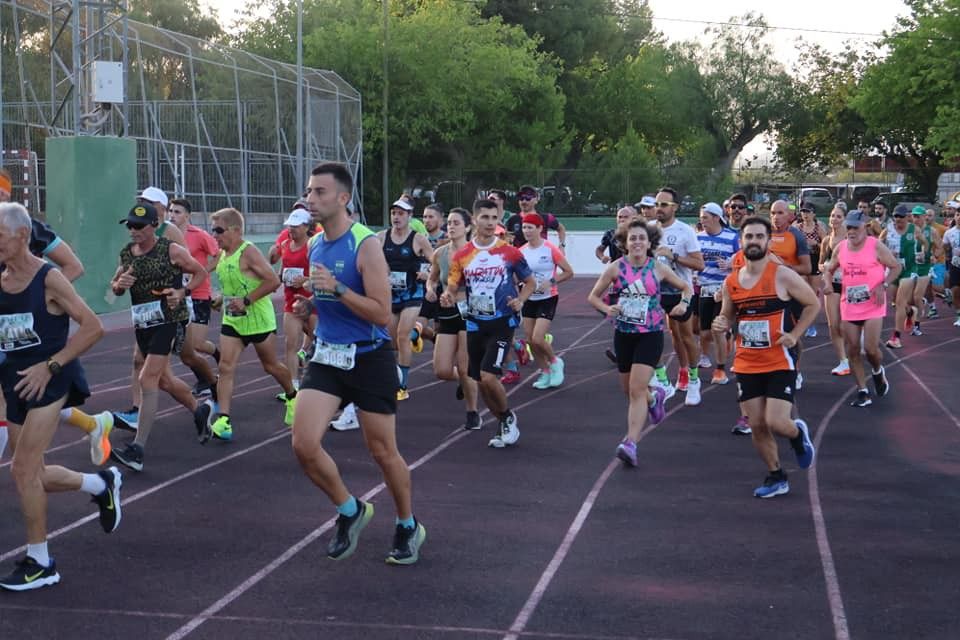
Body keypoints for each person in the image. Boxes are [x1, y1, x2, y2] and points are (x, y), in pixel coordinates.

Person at [291, 162, 426, 565]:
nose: (310, 199)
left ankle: (407, 524)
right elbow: (329, 297)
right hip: (329, 356)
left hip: (369, 358)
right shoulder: (316, 243)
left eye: (319, 192)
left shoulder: (364, 245)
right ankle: (350, 510)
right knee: (303, 444)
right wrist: (311, 303)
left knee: (383, 452)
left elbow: (382, 313)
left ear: (343, 198)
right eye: (310, 191)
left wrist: (338, 288)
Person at [0, 203, 122, 591]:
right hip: (15, 381)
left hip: (50, 380)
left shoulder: (49, 279)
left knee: (21, 469)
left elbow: (93, 327)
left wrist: (50, 366)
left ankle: (41, 562)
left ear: (22, 236)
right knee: (30, 474)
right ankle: (100, 485)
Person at [0, 169, 111, 466]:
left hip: (25, 335)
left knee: (21, 397)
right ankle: (92, 428)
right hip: (8, 331)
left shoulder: (31, 229)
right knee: (23, 398)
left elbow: (73, 266)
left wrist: (40, 302)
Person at [712, 216, 818, 498]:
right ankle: (776, 475)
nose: (754, 241)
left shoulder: (782, 275)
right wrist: (721, 323)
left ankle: (796, 435)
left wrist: (794, 335)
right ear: (742, 242)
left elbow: (813, 304)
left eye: (760, 236)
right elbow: (727, 316)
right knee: (757, 424)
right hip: (747, 361)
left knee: (776, 422)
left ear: (769, 242)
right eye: (749, 237)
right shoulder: (731, 282)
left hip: (779, 359)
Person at [109, 203, 213, 470]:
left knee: (147, 378)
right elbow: (114, 288)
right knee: (164, 381)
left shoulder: (171, 250)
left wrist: (183, 292)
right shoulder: (127, 254)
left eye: (139, 226)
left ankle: (138, 450)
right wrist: (119, 286)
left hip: (169, 319)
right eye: (129, 225)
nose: (133, 231)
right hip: (143, 323)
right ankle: (200, 410)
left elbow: (200, 272)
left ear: (155, 226)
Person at [587, 219, 692, 467]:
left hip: (650, 334)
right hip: (624, 333)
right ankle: (654, 398)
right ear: (624, 242)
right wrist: (606, 308)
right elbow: (593, 296)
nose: (636, 242)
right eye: (632, 238)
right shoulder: (615, 268)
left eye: (641, 238)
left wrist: (683, 303)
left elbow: (686, 287)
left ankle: (630, 443)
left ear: (649, 242)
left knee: (635, 389)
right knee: (629, 390)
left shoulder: (658, 268)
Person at [442, 199, 536, 449]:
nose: (490, 223)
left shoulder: (510, 252)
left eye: (494, 218)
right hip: (474, 323)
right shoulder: (462, 256)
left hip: (502, 322)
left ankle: (507, 417)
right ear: (474, 220)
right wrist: (448, 295)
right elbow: (453, 285)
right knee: (480, 381)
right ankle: (503, 420)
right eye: (485, 217)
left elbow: (530, 283)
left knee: (488, 375)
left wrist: (520, 301)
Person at [207, 207, 298, 440]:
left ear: (235, 230)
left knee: (270, 366)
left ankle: (292, 395)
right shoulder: (223, 255)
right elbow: (231, 286)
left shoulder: (248, 252)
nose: (214, 235)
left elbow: (273, 281)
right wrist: (220, 300)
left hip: (258, 320)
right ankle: (223, 421)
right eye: (212, 230)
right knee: (226, 367)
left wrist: (247, 301)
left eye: (218, 230)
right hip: (233, 320)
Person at [821, 210, 899, 407]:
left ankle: (877, 371)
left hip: (873, 303)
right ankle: (862, 391)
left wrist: (884, 284)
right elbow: (829, 270)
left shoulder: (876, 246)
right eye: (849, 227)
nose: (851, 231)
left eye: (855, 227)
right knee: (853, 349)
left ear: (864, 227)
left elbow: (896, 267)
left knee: (871, 349)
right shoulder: (841, 248)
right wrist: (828, 283)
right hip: (851, 304)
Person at [426, 208, 480, 429]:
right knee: (441, 369)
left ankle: (472, 412)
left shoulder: (476, 252)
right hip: (446, 311)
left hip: (470, 312)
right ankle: (464, 381)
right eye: (448, 222)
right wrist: (430, 290)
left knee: (466, 365)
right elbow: (432, 279)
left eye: (456, 223)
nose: (451, 226)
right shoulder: (440, 253)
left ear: (467, 227)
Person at [651, 188, 704, 405]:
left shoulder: (685, 231)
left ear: (675, 207)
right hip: (654, 292)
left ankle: (693, 379)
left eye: (664, 205)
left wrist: (672, 255)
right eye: (657, 204)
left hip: (679, 290)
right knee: (653, 336)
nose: (659, 209)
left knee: (685, 335)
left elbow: (699, 263)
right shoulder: (649, 230)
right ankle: (664, 378)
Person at [378, 198, 433, 401]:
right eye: (394, 213)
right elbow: (373, 262)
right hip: (391, 295)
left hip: (412, 294)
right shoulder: (381, 237)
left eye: (401, 214)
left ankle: (402, 385)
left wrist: (427, 274)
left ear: (410, 217)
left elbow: (434, 261)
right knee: (393, 341)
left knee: (401, 336)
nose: (397, 217)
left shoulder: (418, 239)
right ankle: (415, 335)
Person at [167, 197, 220, 397]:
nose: (172, 215)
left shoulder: (199, 235)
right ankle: (205, 380)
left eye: (177, 212)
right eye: (171, 211)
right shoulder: (164, 236)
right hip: (176, 297)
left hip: (197, 293)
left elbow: (218, 254)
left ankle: (217, 355)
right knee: (183, 349)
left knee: (197, 344)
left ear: (188, 216)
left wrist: (203, 271)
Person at [519, 213, 574, 389]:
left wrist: (550, 282)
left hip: (548, 297)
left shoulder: (549, 249)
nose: (526, 231)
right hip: (529, 298)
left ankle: (555, 362)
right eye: (524, 227)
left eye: (530, 227)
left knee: (537, 338)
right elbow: (516, 275)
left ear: (540, 229)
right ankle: (545, 371)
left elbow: (568, 272)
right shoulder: (521, 252)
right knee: (529, 340)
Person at [268, 207, 317, 394]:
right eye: (290, 226)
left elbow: (320, 274)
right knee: (291, 343)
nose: (292, 229)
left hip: (312, 301)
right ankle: (293, 386)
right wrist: (280, 278)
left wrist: (305, 280)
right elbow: (283, 267)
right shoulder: (285, 245)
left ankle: (316, 381)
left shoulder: (313, 246)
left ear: (306, 227)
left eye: (296, 226)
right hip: (291, 301)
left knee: (318, 341)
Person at [695, 202, 739, 385]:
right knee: (703, 332)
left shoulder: (732, 237)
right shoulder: (698, 238)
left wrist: (730, 264)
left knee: (717, 330)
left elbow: (742, 259)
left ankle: (720, 369)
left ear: (715, 217)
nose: (702, 221)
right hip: (704, 288)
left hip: (724, 289)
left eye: (705, 217)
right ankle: (705, 355)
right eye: (701, 218)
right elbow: (693, 260)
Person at [879, 204, 928, 348]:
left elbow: (924, 243)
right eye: (895, 216)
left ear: (907, 217)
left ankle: (896, 338)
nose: (898, 219)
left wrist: (923, 252)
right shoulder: (888, 230)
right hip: (893, 269)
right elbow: (878, 245)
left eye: (901, 216)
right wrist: (887, 252)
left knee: (900, 302)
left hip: (909, 269)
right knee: (894, 300)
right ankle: (911, 311)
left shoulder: (914, 229)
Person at [818, 207, 851, 375]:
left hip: (848, 284)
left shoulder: (849, 238)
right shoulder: (826, 240)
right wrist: (824, 267)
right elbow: (820, 262)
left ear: (844, 219)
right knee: (833, 325)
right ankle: (843, 361)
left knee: (846, 324)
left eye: (838, 216)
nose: (834, 219)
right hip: (831, 283)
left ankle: (854, 346)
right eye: (832, 216)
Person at [504, 185, 566, 251]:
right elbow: (505, 237)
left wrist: (561, 245)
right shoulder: (512, 220)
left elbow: (561, 228)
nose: (524, 201)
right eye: (521, 198)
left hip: (541, 257)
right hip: (520, 258)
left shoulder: (546, 218)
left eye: (528, 198)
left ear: (536, 200)